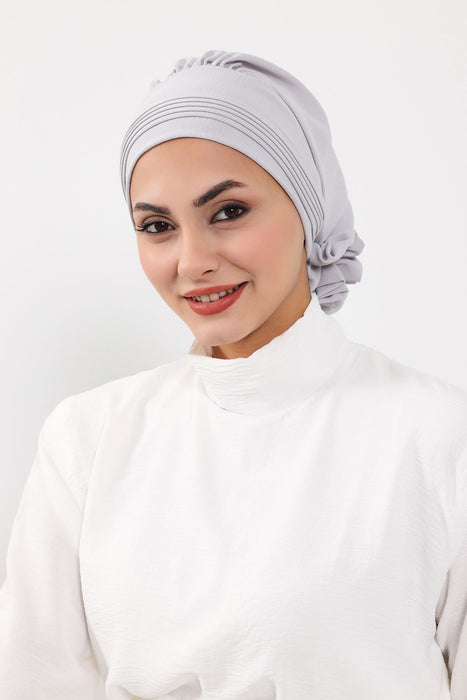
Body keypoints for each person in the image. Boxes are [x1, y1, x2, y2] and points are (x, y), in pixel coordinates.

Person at [0, 48, 466, 700]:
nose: (192, 261)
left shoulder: (438, 436)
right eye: (157, 226)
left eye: (228, 212)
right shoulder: (88, 438)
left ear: (309, 208)